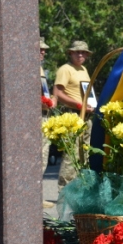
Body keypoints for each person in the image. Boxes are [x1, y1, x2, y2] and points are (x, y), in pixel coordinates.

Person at [54, 40, 95, 189]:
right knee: (71, 156)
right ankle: (64, 192)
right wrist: (79, 105)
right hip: (72, 116)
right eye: (77, 52)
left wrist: (91, 105)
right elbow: (57, 93)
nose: (80, 55)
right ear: (70, 53)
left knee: (84, 155)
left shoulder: (84, 69)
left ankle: (78, 191)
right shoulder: (65, 69)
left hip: (86, 117)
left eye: (83, 52)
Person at [40, 37, 55, 209]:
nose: (43, 51)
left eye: (44, 49)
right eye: (39, 49)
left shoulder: (41, 69)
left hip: (44, 115)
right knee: (39, 157)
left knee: (43, 157)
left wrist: (52, 99)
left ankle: (38, 194)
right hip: (37, 116)